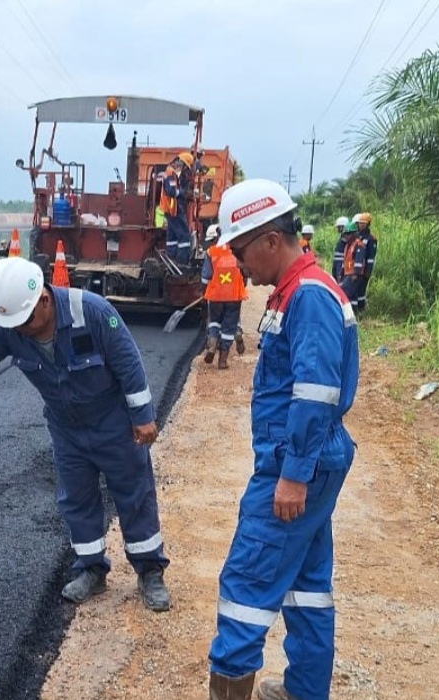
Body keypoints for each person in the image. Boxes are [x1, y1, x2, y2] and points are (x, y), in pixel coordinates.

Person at [0, 257, 173, 612]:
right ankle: (91, 569)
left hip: (113, 423)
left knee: (134, 493)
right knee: (76, 498)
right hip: (67, 428)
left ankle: (149, 570)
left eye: (25, 321)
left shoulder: (91, 311)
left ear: (43, 299)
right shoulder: (8, 325)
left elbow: (129, 363)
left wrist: (143, 416)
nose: (21, 330)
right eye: (13, 324)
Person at [206, 179, 358, 700]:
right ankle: (304, 692)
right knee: (307, 587)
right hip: (311, 461)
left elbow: (315, 394)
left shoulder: (309, 296)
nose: (239, 264)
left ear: (271, 240)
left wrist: (292, 475)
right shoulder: (297, 289)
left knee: (246, 587)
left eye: (242, 251)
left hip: (296, 466)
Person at [200, 224, 246, 369]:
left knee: (214, 322)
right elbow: (245, 273)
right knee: (228, 327)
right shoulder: (238, 251)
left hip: (215, 296)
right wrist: (241, 285)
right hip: (233, 295)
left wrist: (204, 293)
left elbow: (205, 277)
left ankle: (212, 346)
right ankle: (223, 361)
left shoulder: (211, 251)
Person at [159, 152, 195, 267]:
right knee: (184, 235)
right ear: (182, 163)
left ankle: (171, 258)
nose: (185, 170)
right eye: (186, 167)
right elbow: (171, 191)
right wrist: (184, 193)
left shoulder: (172, 173)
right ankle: (182, 262)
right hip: (173, 209)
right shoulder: (171, 173)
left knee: (172, 236)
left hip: (170, 209)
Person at [353, 213, 377, 314]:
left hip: (364, 269)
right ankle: (357, 309)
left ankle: (361, 309)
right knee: (355, 289)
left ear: (368, 224)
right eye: (360, 223)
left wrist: (368, 270)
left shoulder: (371, 239)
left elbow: (371, 257)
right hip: (356, 268)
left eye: (363, 223)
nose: (361, 225)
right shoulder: (357, 236)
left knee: (361, 290)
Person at [330, 219, 355, 283]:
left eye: (339, 227)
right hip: (337, 261)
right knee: (335, 278)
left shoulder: (346, 237)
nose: (338, 229)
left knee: (340, 278)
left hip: (341, 261)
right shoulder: (342, 237)